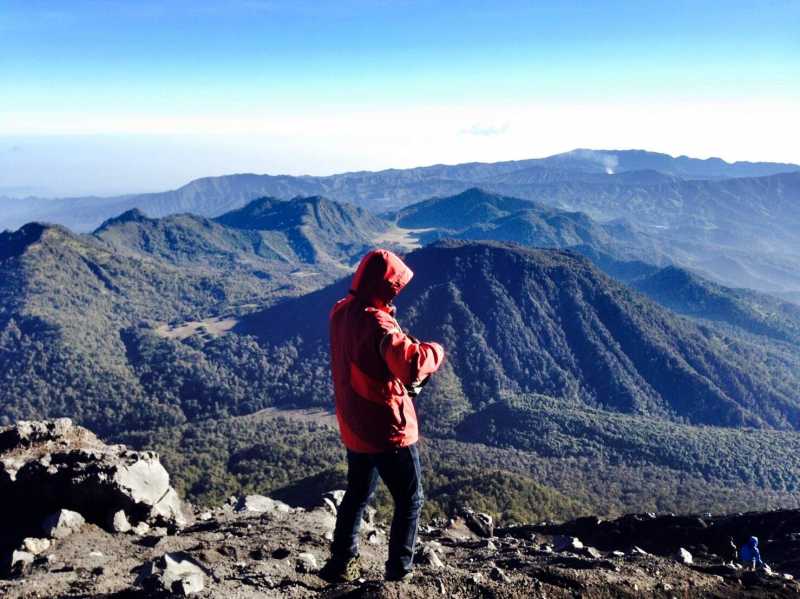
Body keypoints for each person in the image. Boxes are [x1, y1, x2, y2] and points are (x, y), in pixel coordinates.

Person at [320, 249, 445, 583]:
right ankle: (398, 573)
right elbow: (412, 365)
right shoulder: (378, 323)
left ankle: (341, 562)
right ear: (384, 285)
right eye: (395, 286)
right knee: (410, 498)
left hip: (354, 425)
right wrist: (436, 351)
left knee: (358, 493)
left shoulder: (341, 312)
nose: (397, 292)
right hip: (387, 429)